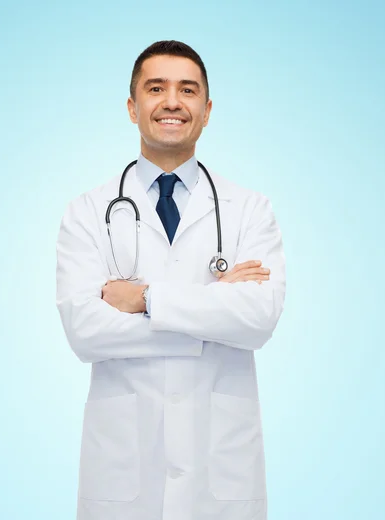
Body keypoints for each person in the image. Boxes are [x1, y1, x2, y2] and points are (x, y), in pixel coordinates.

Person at [56, 40, 286, 520]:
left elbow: (258, 320)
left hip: (220, 470)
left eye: (188, 90)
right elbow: (86, 332)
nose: (172, 102)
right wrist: (210, 312)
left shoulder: (250, 210)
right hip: (124, 471)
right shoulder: (88, 212)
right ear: (132, 106)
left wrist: (145, 299)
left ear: (206, 110)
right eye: (155, 88)